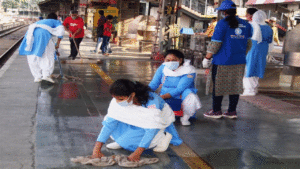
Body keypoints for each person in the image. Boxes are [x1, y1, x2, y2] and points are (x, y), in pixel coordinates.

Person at [91, 79, 182, 162]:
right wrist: (96, 149)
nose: (118, 102)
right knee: (114, 124)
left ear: (132, 95)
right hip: (135, 123)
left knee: (135, 144)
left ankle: (163, 137)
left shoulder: (151, 101)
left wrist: (137, 153)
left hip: (156, 124)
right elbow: (109, 124)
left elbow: (152, 127)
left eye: (121, 99)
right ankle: (122, 142)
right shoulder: (118, 99)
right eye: (115, 98)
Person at [202, 0, 252, 119]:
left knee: (218, 86)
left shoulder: (222, 24)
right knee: (235, 86)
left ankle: (216, 111)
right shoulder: (246, 24)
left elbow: (215, 44)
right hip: (239, 61)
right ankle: (231, 111)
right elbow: (249, 44)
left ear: (224, 12)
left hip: (222, 61)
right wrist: (239, 53)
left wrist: (207, 58)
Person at [149, 50, 202, 126]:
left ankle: (185, 117)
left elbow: (180, 89)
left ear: (180, 60)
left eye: (174, 60)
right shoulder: (163, 68)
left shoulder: (189, 70)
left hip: (180, 95)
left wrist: (163, 97)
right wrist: (145, 92)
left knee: (191, 97)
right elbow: (154, 83)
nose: (170, 62)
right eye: (168, 60)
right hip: (164, 94)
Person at [19, 13, 65, 83]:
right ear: (56, 18)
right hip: (43, 35)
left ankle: (37, 76)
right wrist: (58, 43)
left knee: (33, 55)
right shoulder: (56, 21)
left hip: (30, 34)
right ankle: (46, 75)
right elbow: (61, 32)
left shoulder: (41, 21)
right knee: (48, 55)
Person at [242, 10, 273, 96]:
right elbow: (270, 41)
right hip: (263, 50)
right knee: (257, 68)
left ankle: (249, 90)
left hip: (251, 49)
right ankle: (254, 88)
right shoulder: (268, 28)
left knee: (248, 68)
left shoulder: (251, 26)